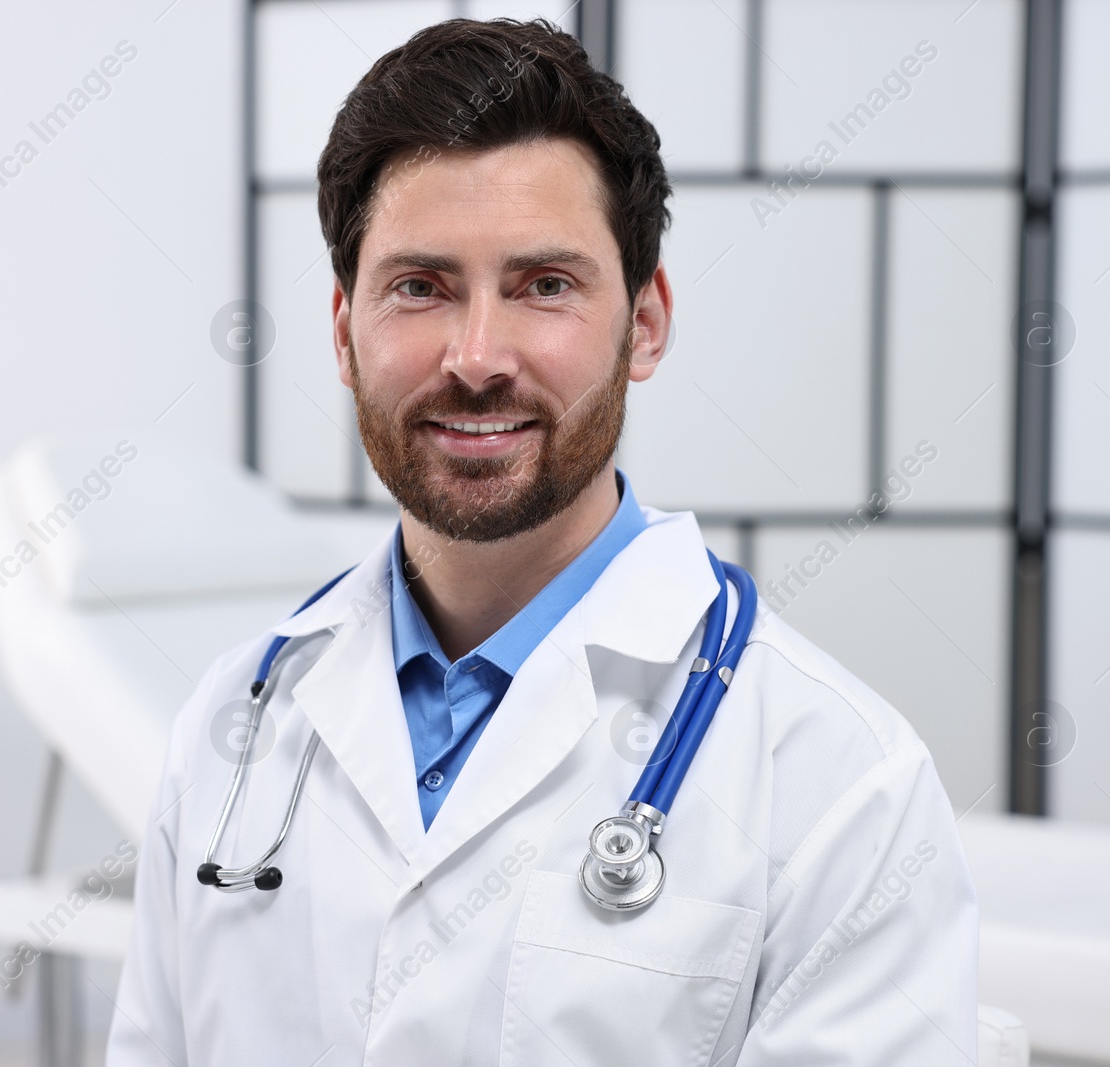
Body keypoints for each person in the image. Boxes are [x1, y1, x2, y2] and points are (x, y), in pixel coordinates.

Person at [108, 17, 977, 1065]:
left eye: (544, 286)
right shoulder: (233, 725)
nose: (477, 357)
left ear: (644, 323)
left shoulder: (841, 780)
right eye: (420, 286)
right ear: (344, 332)